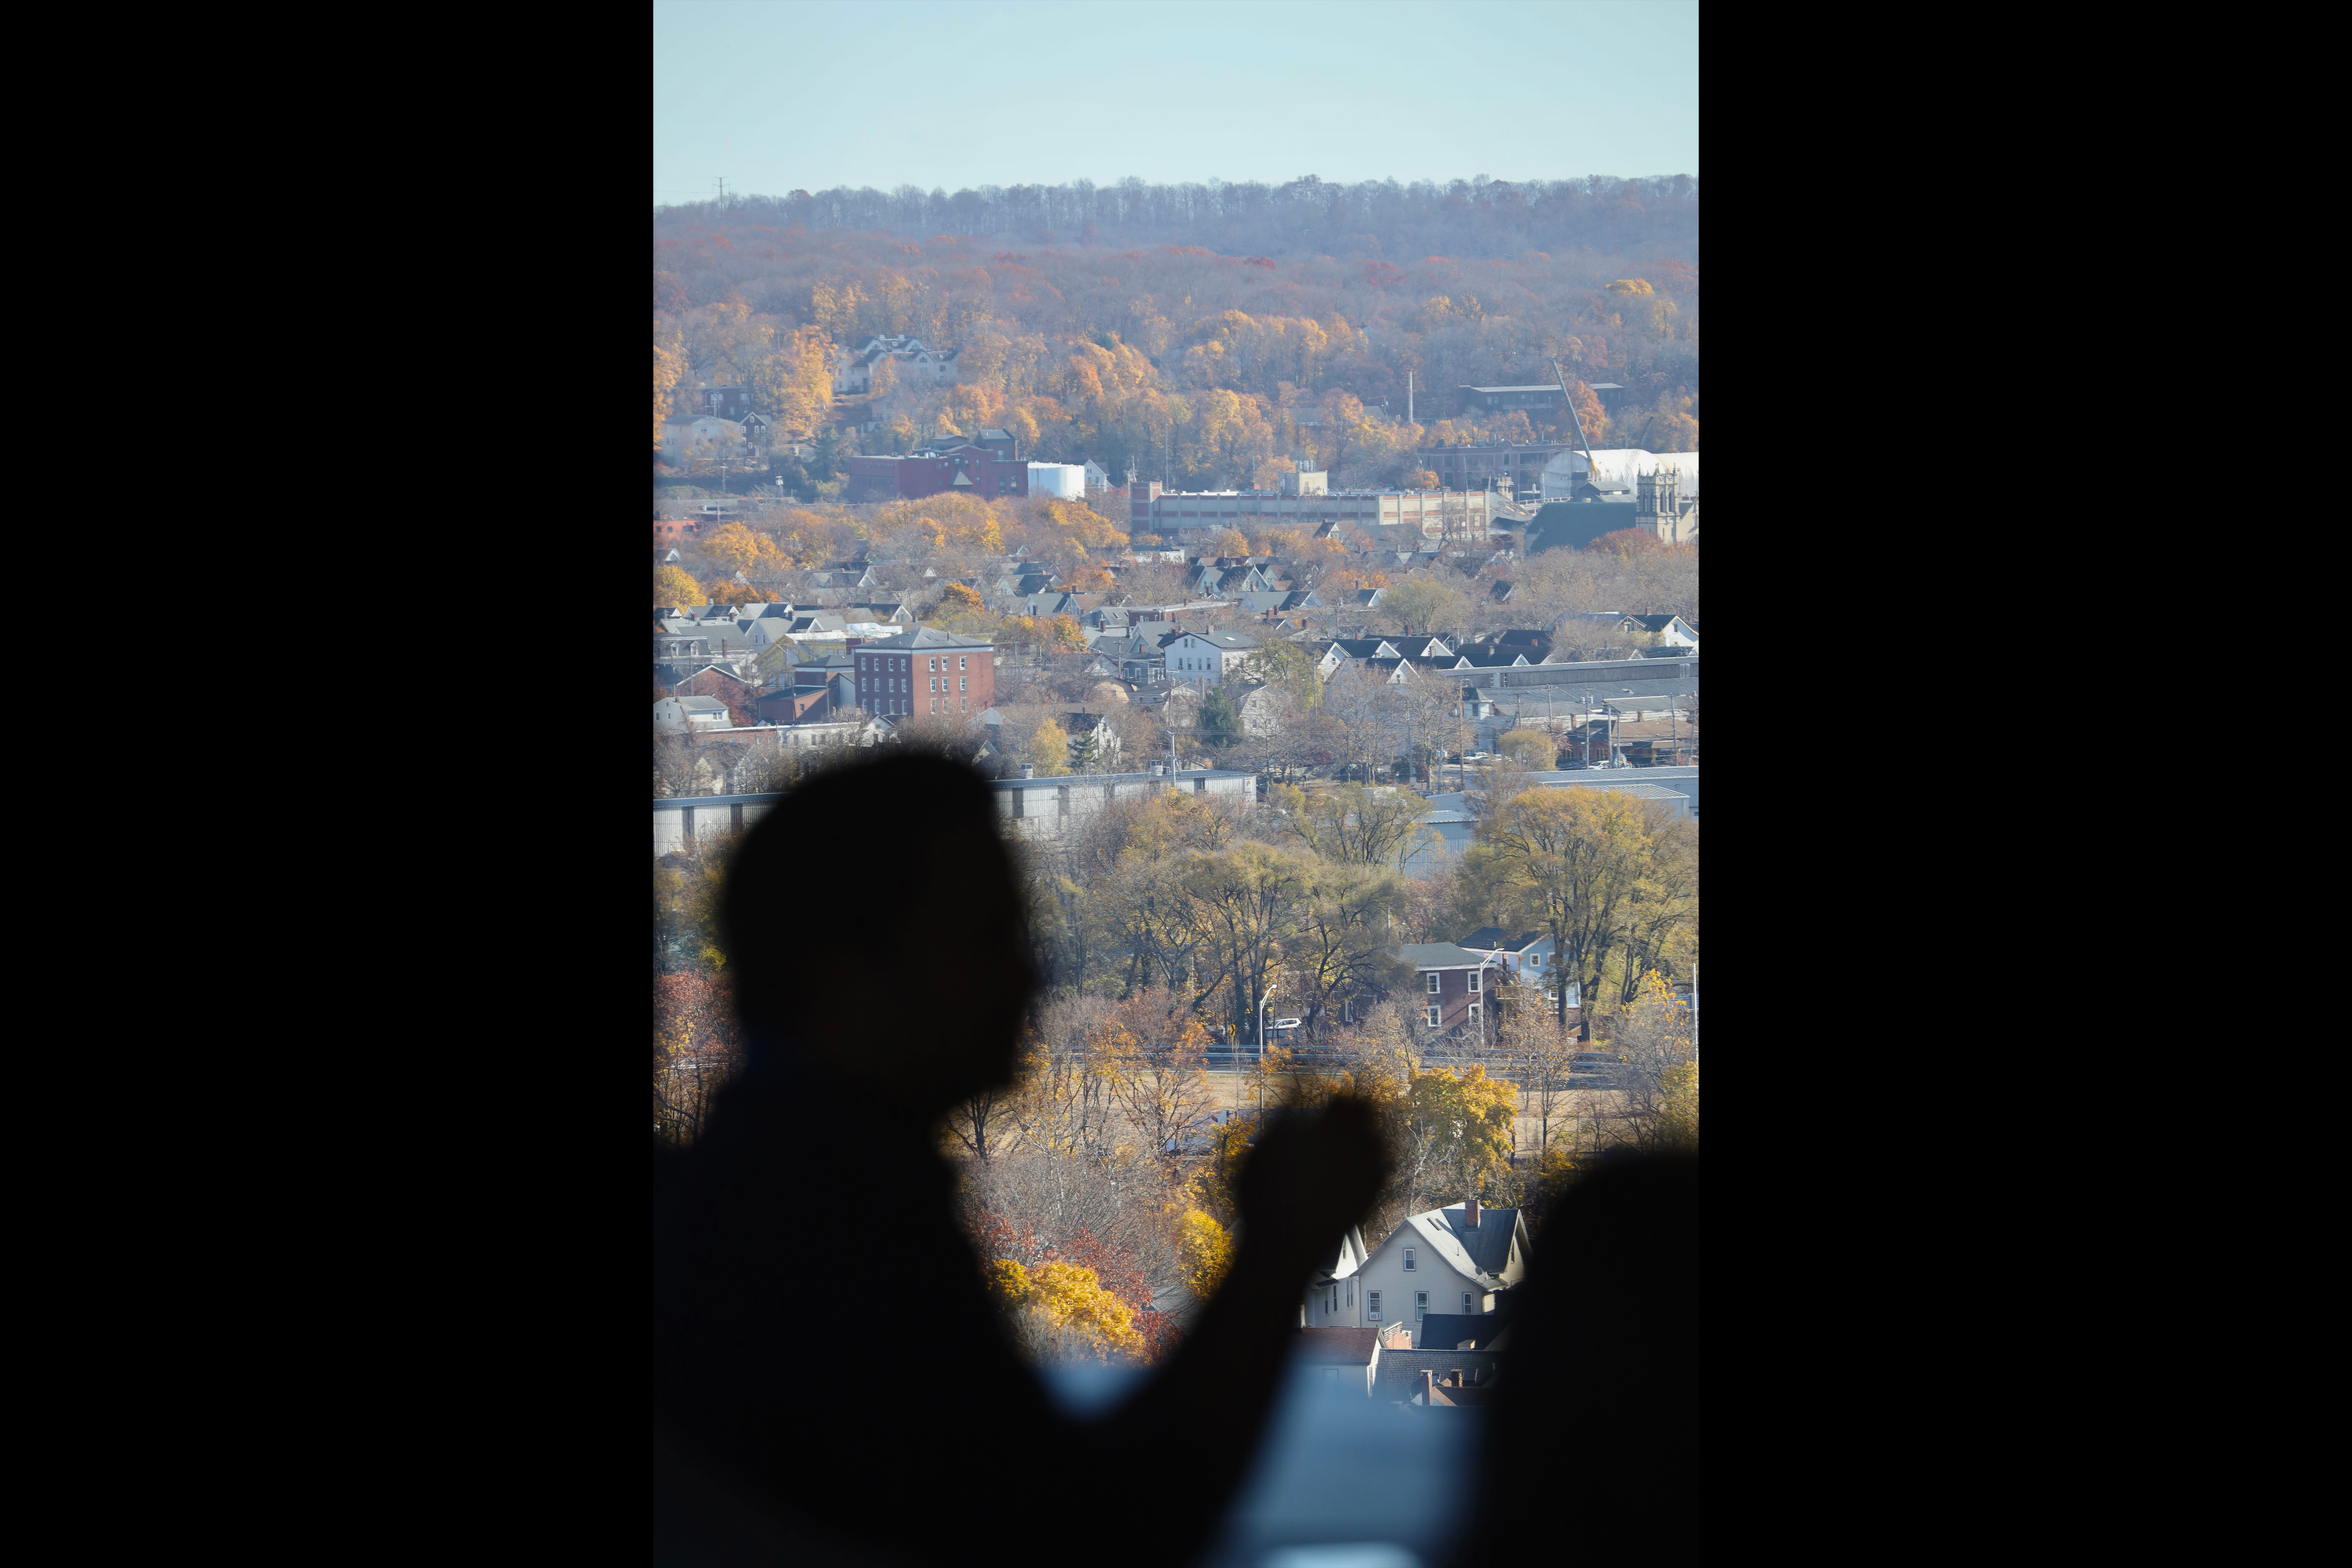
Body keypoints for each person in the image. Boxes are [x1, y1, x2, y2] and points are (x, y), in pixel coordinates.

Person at [654, 754, 1387, 1566]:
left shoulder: (755, 1198)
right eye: (984, 935)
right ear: (847, 985)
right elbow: (1095, 1530)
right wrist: (1281, 1249)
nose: (1031, 973)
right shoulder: (840, 1242)